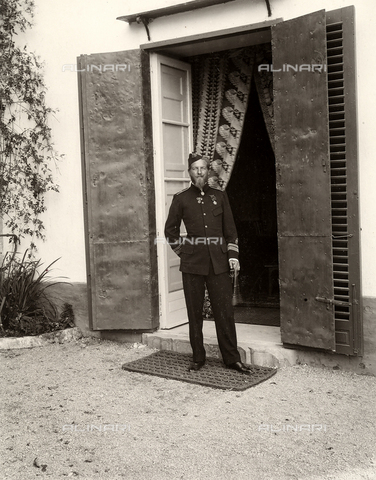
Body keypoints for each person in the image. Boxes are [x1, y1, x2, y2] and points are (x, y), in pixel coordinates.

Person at [164, 152, 252, 374]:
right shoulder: (181, 198)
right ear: (190, 172)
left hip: (219, 263)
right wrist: (184, 252)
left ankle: (232, 359)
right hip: (192, 264)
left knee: (224, 312)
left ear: (208, 171)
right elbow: (170, 231)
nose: (200, 172)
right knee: (194, 314)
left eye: (203, 168)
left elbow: (231, 231)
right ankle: (198, 358)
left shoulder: (219, 197)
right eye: (196, 168)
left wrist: (233, 256)